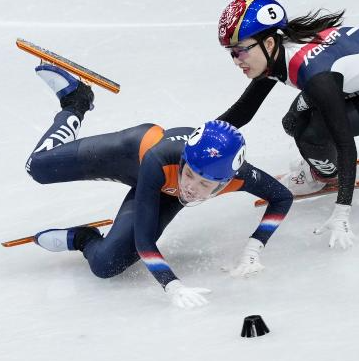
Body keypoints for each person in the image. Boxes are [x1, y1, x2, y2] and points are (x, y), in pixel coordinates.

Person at [25, 64, 293, 309]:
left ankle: (82, 238)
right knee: (37, 167)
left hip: (165, 191)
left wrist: (253, 248)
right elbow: (144, 240)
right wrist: (172, 285)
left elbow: (282, 197)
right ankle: (76, 101)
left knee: (106, 265)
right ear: (184, 160)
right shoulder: (160, 160)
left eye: (204, 184)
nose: (190, 188)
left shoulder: (240, 176)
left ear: (224, 182)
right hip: (132, 156)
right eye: (189, 174)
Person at [216, 0, 359, 249]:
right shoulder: (277, 50)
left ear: (269, 42)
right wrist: (195, 139)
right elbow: (244, 110)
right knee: (293, 121)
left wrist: (342, 211)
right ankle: (320, 159)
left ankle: (322, 173)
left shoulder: (315, 74)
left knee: (312, 136)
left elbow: (345, 143)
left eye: (241, 50)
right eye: (231, 53)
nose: (236, 60)